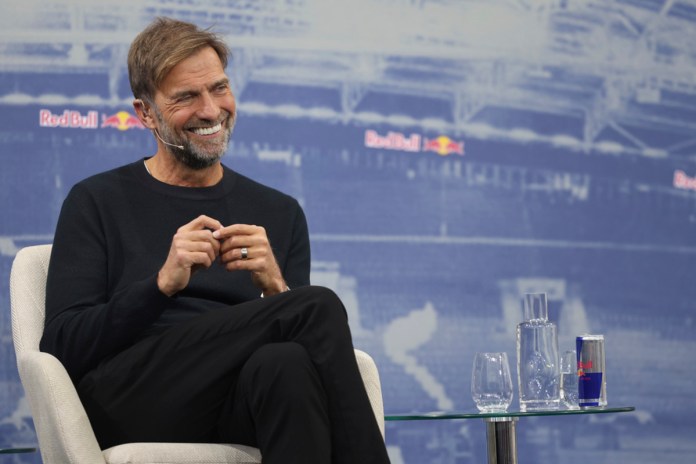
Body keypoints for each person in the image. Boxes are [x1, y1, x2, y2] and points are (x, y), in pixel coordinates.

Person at [40, 17, 390, 464]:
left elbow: (300, 338)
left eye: (219, 89)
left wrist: (274, 288)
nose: (210, 110)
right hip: (131, 401)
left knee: (286, 367)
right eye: (186, 96)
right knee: (315, 305)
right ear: (146, 113)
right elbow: (61, 346)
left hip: (232, 401)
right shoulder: (96, 200)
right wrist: (160, 284)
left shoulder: (279, 212)